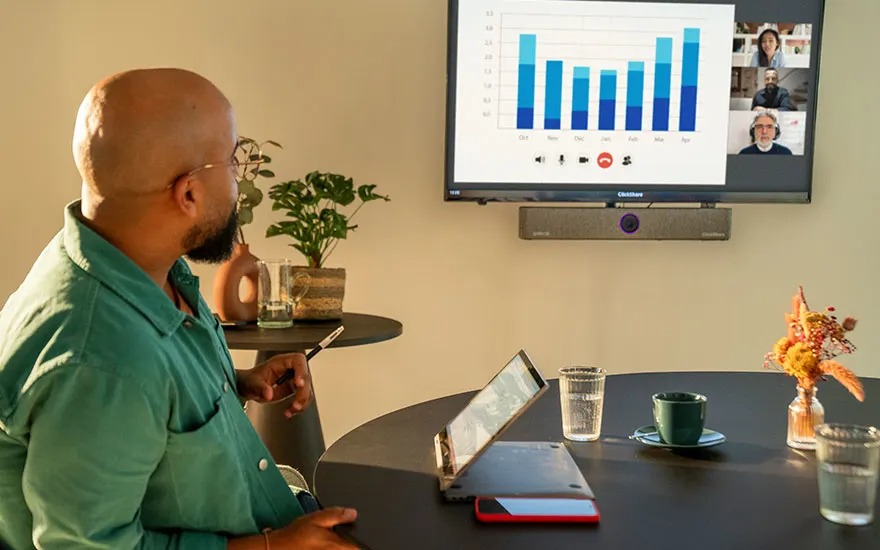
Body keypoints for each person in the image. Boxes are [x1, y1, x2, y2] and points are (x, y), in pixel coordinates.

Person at [0, 68, 359, 549]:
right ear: (188, 193)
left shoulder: (122, 255)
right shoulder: (100, 361)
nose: (237, 182)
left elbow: (147, 408)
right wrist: (276, 546)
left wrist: (234, 383)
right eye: (231, 163)